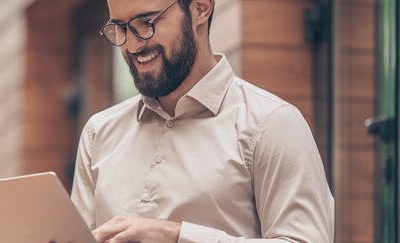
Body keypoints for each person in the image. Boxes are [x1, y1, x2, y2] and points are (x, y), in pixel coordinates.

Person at [69, 0, 334, 242]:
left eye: (146, 23)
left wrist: (177, 236)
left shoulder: (273, 124)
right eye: (120, 28)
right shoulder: (98, 133)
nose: (132, 45)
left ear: (200, 8)